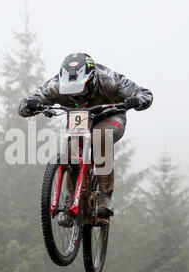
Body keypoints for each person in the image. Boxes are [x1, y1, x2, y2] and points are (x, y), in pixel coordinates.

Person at [18, 53, 153, 217]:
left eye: (81, 88)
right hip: (80, 116)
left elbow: (145, 93)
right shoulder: (56, 85)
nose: (77, 95)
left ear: (93, 80)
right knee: (73, 147)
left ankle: (104, 196)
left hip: (110, 115)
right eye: (71, 90)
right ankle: (71, 199)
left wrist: (137, 100)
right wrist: (31, 105)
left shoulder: (108, 79)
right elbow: (25, 104)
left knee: (101, 136)